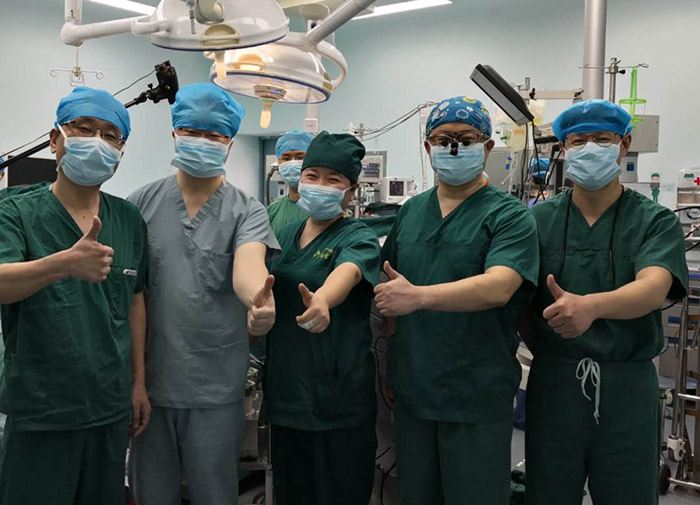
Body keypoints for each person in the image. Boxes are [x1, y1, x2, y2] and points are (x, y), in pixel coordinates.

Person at [374, 96, 540, 505]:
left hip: (475, 390)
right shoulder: (411, 211)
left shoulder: (509, 216)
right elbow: (391, 287)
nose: (452, 147)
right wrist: (392, 359)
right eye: (442, 139)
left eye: (465, 139)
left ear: (487, 147)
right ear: (428, 147)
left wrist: (419, 297)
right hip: (415, 386)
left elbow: (499, 286)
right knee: (416, 494)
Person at [521, 100, 688, 505]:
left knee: (627, 493)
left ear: (624, 144)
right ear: (563, 149)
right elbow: (518, 296)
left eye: (602, 139)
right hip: (554, 384)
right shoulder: (537, 221)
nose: (590, 148)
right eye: (578, 141)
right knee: (548, 492)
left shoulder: (654, 221)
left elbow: (654, 287)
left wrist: (591, 307)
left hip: (627, 387)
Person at [127, 83, 279, 505]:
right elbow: (128, 293)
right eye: (192, 132)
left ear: (229, 144)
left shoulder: (247, 210)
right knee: (152, 493)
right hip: (150, 383)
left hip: (214, 386)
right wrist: (134, 379)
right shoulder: (140, 204)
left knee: (214, 492)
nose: (202, 142)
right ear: (174, 133)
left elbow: (248, 267)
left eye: (214, 135)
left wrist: (258, 300)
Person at [0, 86, 150, 505]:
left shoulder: (128, 218)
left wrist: (138, 382)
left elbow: (135, 302)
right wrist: (62, 264)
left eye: (110, 135)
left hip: (108, 406)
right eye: (84, 129)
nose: (97, 141)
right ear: (55, 139)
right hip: (42, 407)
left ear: (120, 151)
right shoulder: (14, 211)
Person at [263, 131, 381, 505]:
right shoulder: (283, 235)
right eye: (312, 176)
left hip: (338, 399)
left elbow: (348, 271)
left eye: (334, 180)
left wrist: (324, 300)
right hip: (287, 393)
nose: (319, 185)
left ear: (352, 190)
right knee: (291, 493)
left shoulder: (358, 235)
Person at [267, 130, 314, 237]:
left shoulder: (322, 209)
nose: (293, 163)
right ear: (278, 163)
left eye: (300, 157)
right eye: (286, 158)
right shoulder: (273, 211)